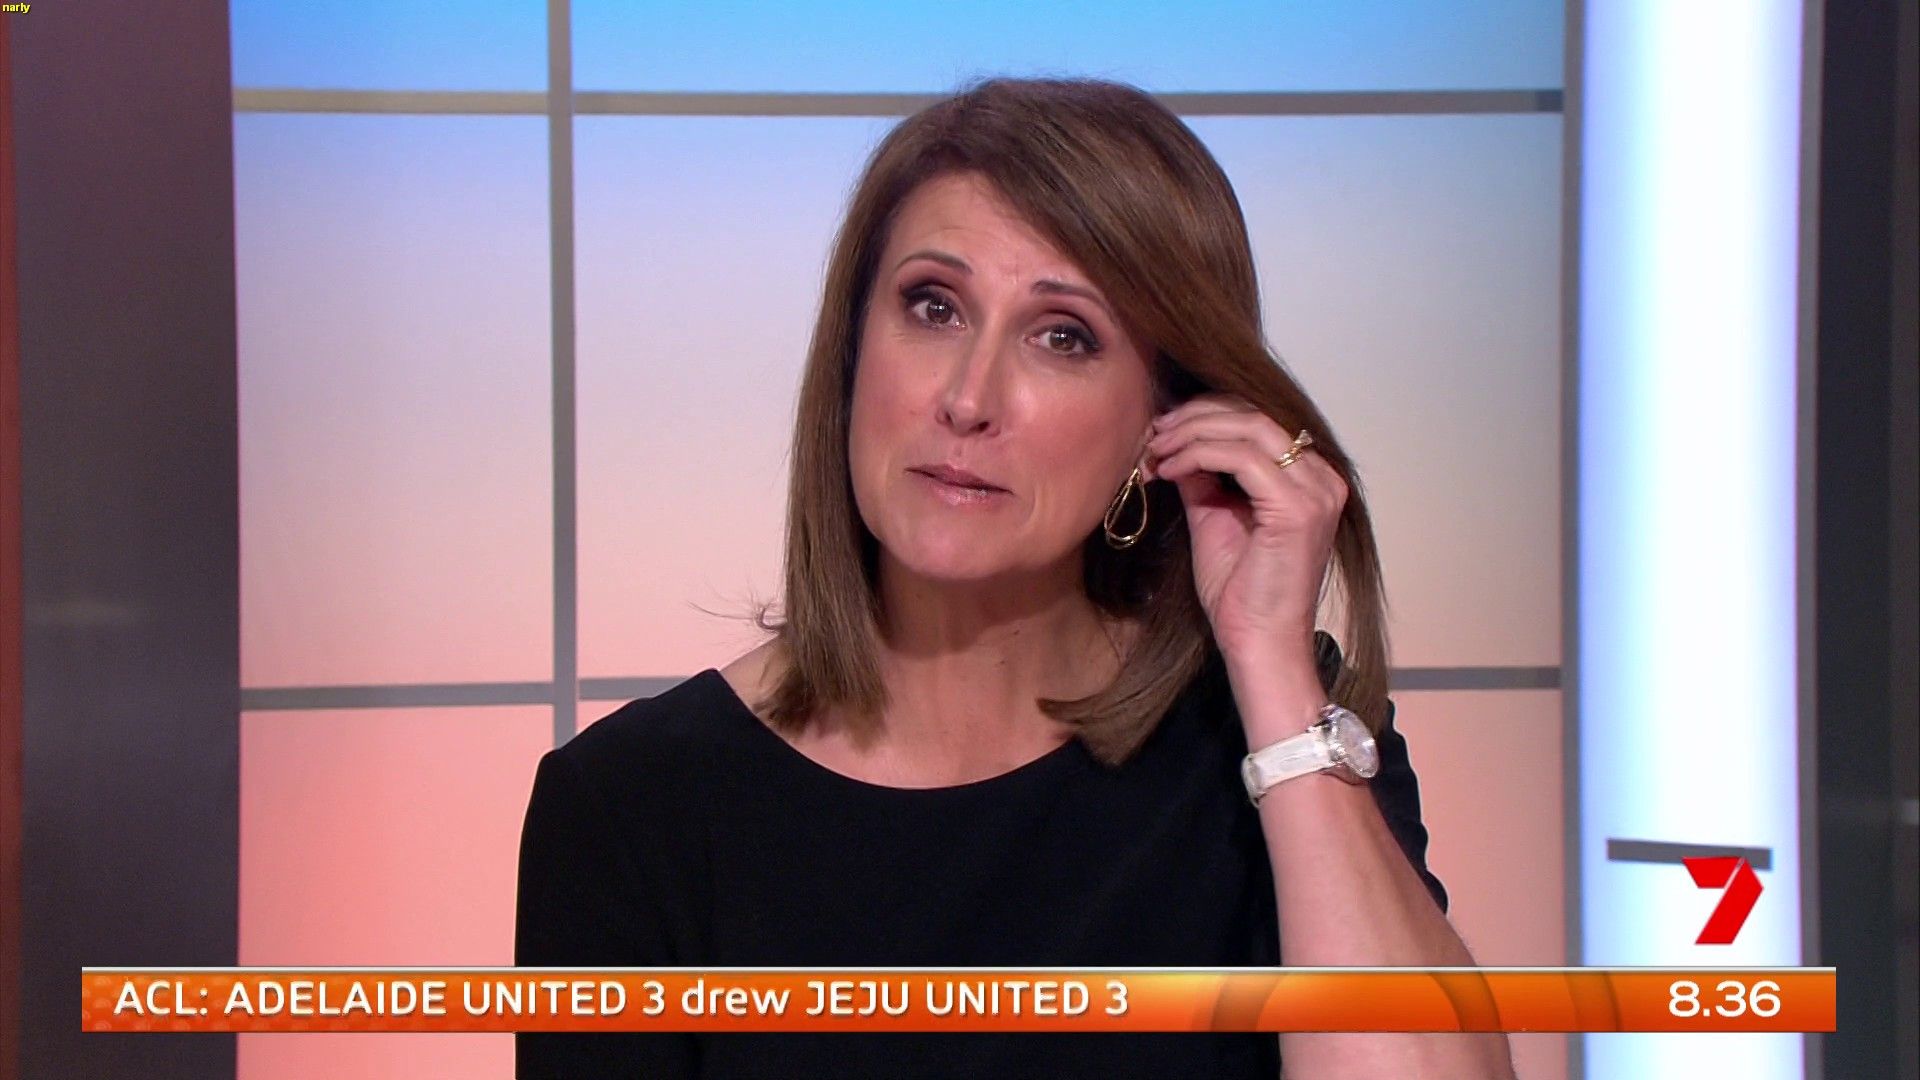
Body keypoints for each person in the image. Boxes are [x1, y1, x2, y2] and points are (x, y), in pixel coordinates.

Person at [515, 77, 1516, 1079]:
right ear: (854, 352)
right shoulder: (632, 807)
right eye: (934, 307)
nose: (967, 398)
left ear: (1165, 422)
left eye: (1062, 335)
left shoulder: (1283, 737)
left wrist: (1271, 672)